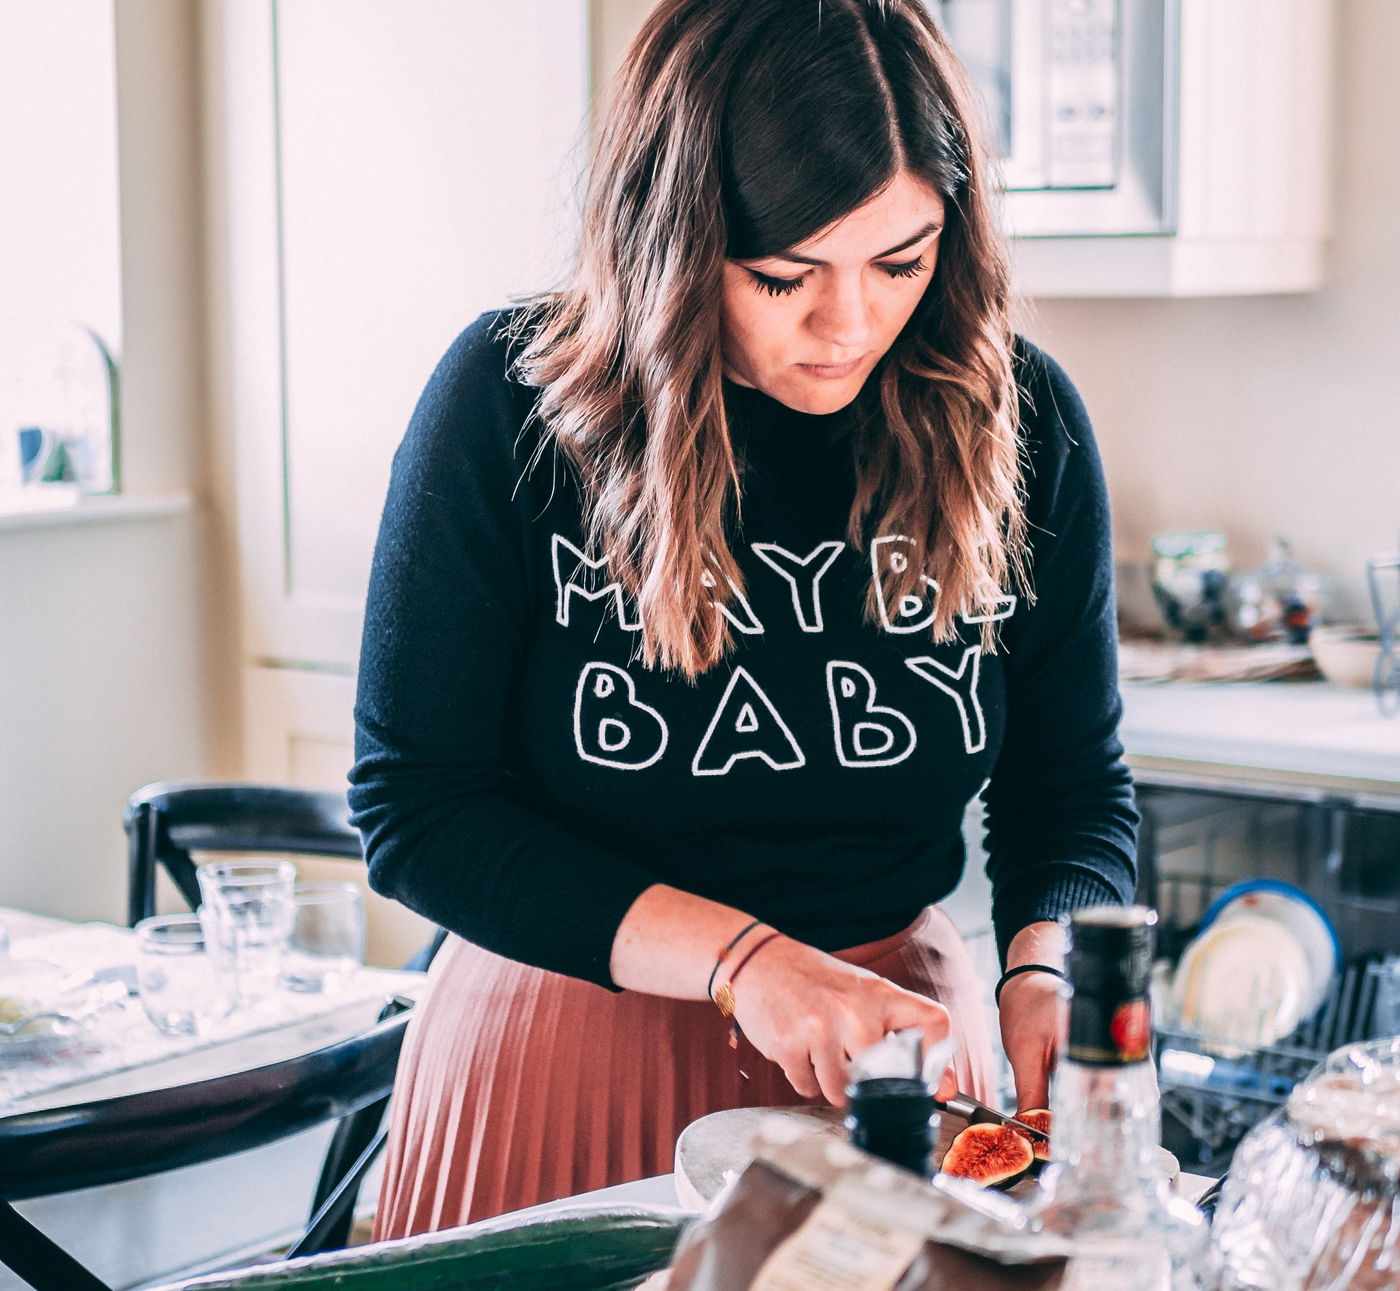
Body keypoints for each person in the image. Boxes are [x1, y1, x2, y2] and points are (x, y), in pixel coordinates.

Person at [349, 0, 1137, 1238]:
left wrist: (1044, 966)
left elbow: (1072, 789)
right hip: (565, 1047)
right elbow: (418, 811)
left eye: (901, 260)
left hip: (895, 1078)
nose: (849, 327)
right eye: (782, 274)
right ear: (673, 237)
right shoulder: (511, 407)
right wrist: (744, 962)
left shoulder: (1018, 422)